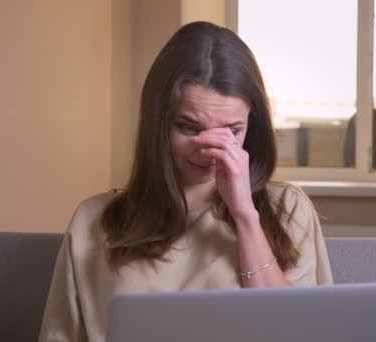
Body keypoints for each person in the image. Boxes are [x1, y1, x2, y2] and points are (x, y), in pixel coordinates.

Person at [38, 21, 333, 342]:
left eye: (232, 130)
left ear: (253, 125)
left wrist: (246, 215)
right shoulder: (95, 219)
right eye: (190, 128)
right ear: (158, 122)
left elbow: (291, 333)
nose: (210, 149)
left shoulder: (287, 209)